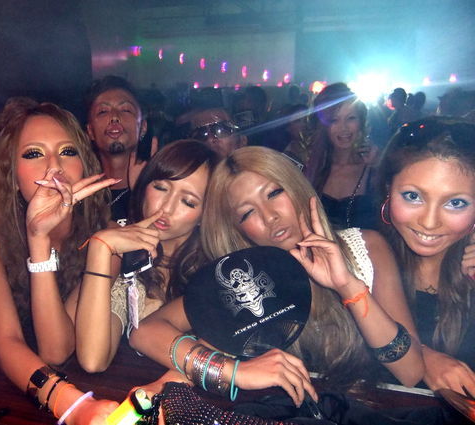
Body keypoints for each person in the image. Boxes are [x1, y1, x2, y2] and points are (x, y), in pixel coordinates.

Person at [130, 146, 423, 407]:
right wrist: (233, 372)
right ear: (238, 230)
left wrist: (346, 285)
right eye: (247, 213)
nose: (270, 216)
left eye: (274, 193)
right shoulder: (246, 280)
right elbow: (145, 332)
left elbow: (409, 371)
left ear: (296, 187)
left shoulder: (365, 246)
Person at [0, 98, 118, 422]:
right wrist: (73, 406)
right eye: (34, 153)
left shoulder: (106, 235)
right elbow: (7, 340)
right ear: (11, 174)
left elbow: (57, 350)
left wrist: (39, 242)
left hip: (84, 378)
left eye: (68, 151)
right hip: (4, 385)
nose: (55, 167)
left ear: (84, 164)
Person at [75, 140, 219, 372]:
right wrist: (100, 248)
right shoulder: (128, 259)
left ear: (206, 214)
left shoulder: (216, 270)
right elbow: (93, 360)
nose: (166, 208)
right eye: (161, 188)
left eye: (188, 201)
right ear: (144, 187)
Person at [377, 117, 475, 397]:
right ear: (388, 189)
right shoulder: (358, 263)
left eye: (456, 203)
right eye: (413, 196)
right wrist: (420, 355)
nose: (429, 222)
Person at [304, 84, 379, 230]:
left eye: (351, 118)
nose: (343, 128)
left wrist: (382, 167)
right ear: (323, 125)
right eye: (334, 120)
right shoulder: (311, 167)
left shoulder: (374, 167)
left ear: (361, 122)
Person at [85, 75, 155, 227]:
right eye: (103, 111)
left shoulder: (160, 188)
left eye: (126, 110)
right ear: (90, 131)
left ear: (142, 128)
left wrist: (141, 192)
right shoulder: (82, 195)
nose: (114, 117)